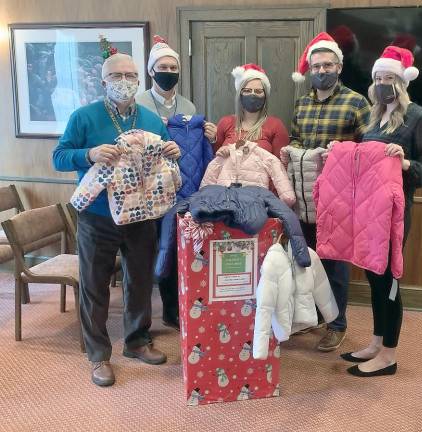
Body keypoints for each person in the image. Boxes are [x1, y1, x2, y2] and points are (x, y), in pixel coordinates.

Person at [52, 52, 181, 387]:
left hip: (141, 215)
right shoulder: (84, 117)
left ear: (139, 78)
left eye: (131, 74)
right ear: (103, 81)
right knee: (94, 286)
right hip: (97, 217)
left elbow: (166, 154)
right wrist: (89, 154)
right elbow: (59, 157)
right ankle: (98, 355)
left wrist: (173, 151)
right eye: (117, 76)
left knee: (139, 280)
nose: (125, 81)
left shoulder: (152, 119)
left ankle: (137, 341)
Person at [340, 45, 422, 376]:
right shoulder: (370, 116)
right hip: (366, 209)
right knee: (372, 274)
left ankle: (389, 356)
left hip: (394, 212)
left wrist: (405, 161)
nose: (383, 83)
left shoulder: (417, 117)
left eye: (389, 78)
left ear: (402, 81)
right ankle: (377, 342)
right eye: (378, 78)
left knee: (388, 278)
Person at [286, 32, 370, 352]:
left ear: (339, 66)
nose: (322, 70)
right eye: (316, 66)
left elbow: (368, 147)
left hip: (339, 199)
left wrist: (342, 150)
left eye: (328, 65)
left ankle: (337, 324)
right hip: (305, 198)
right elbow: (296, 139)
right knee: (307, 261)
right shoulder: (302, 104)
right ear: (309, 70)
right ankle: (313, 319)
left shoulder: (356, 102)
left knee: (334, 263)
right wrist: (290, 150)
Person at [136, 36, 216, 330]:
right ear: (152, 71)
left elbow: (194, 149)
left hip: (182, 189)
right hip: (146, 190)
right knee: (148, 252)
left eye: (173, 66)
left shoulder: (188, 106)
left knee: (176, 248)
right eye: (163, 66)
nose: (169, 71)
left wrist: (208, 135)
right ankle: (142, 320)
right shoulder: (139, 104)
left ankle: (174, 310)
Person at [214, 63, 289, 159]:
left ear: (265, 96)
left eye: (258, 91)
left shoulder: (276, 126)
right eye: (247, 91)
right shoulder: (225, 123)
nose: (252, 95)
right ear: (240, 94)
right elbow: (215, 158)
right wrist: (213, 139)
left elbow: (281, 166)